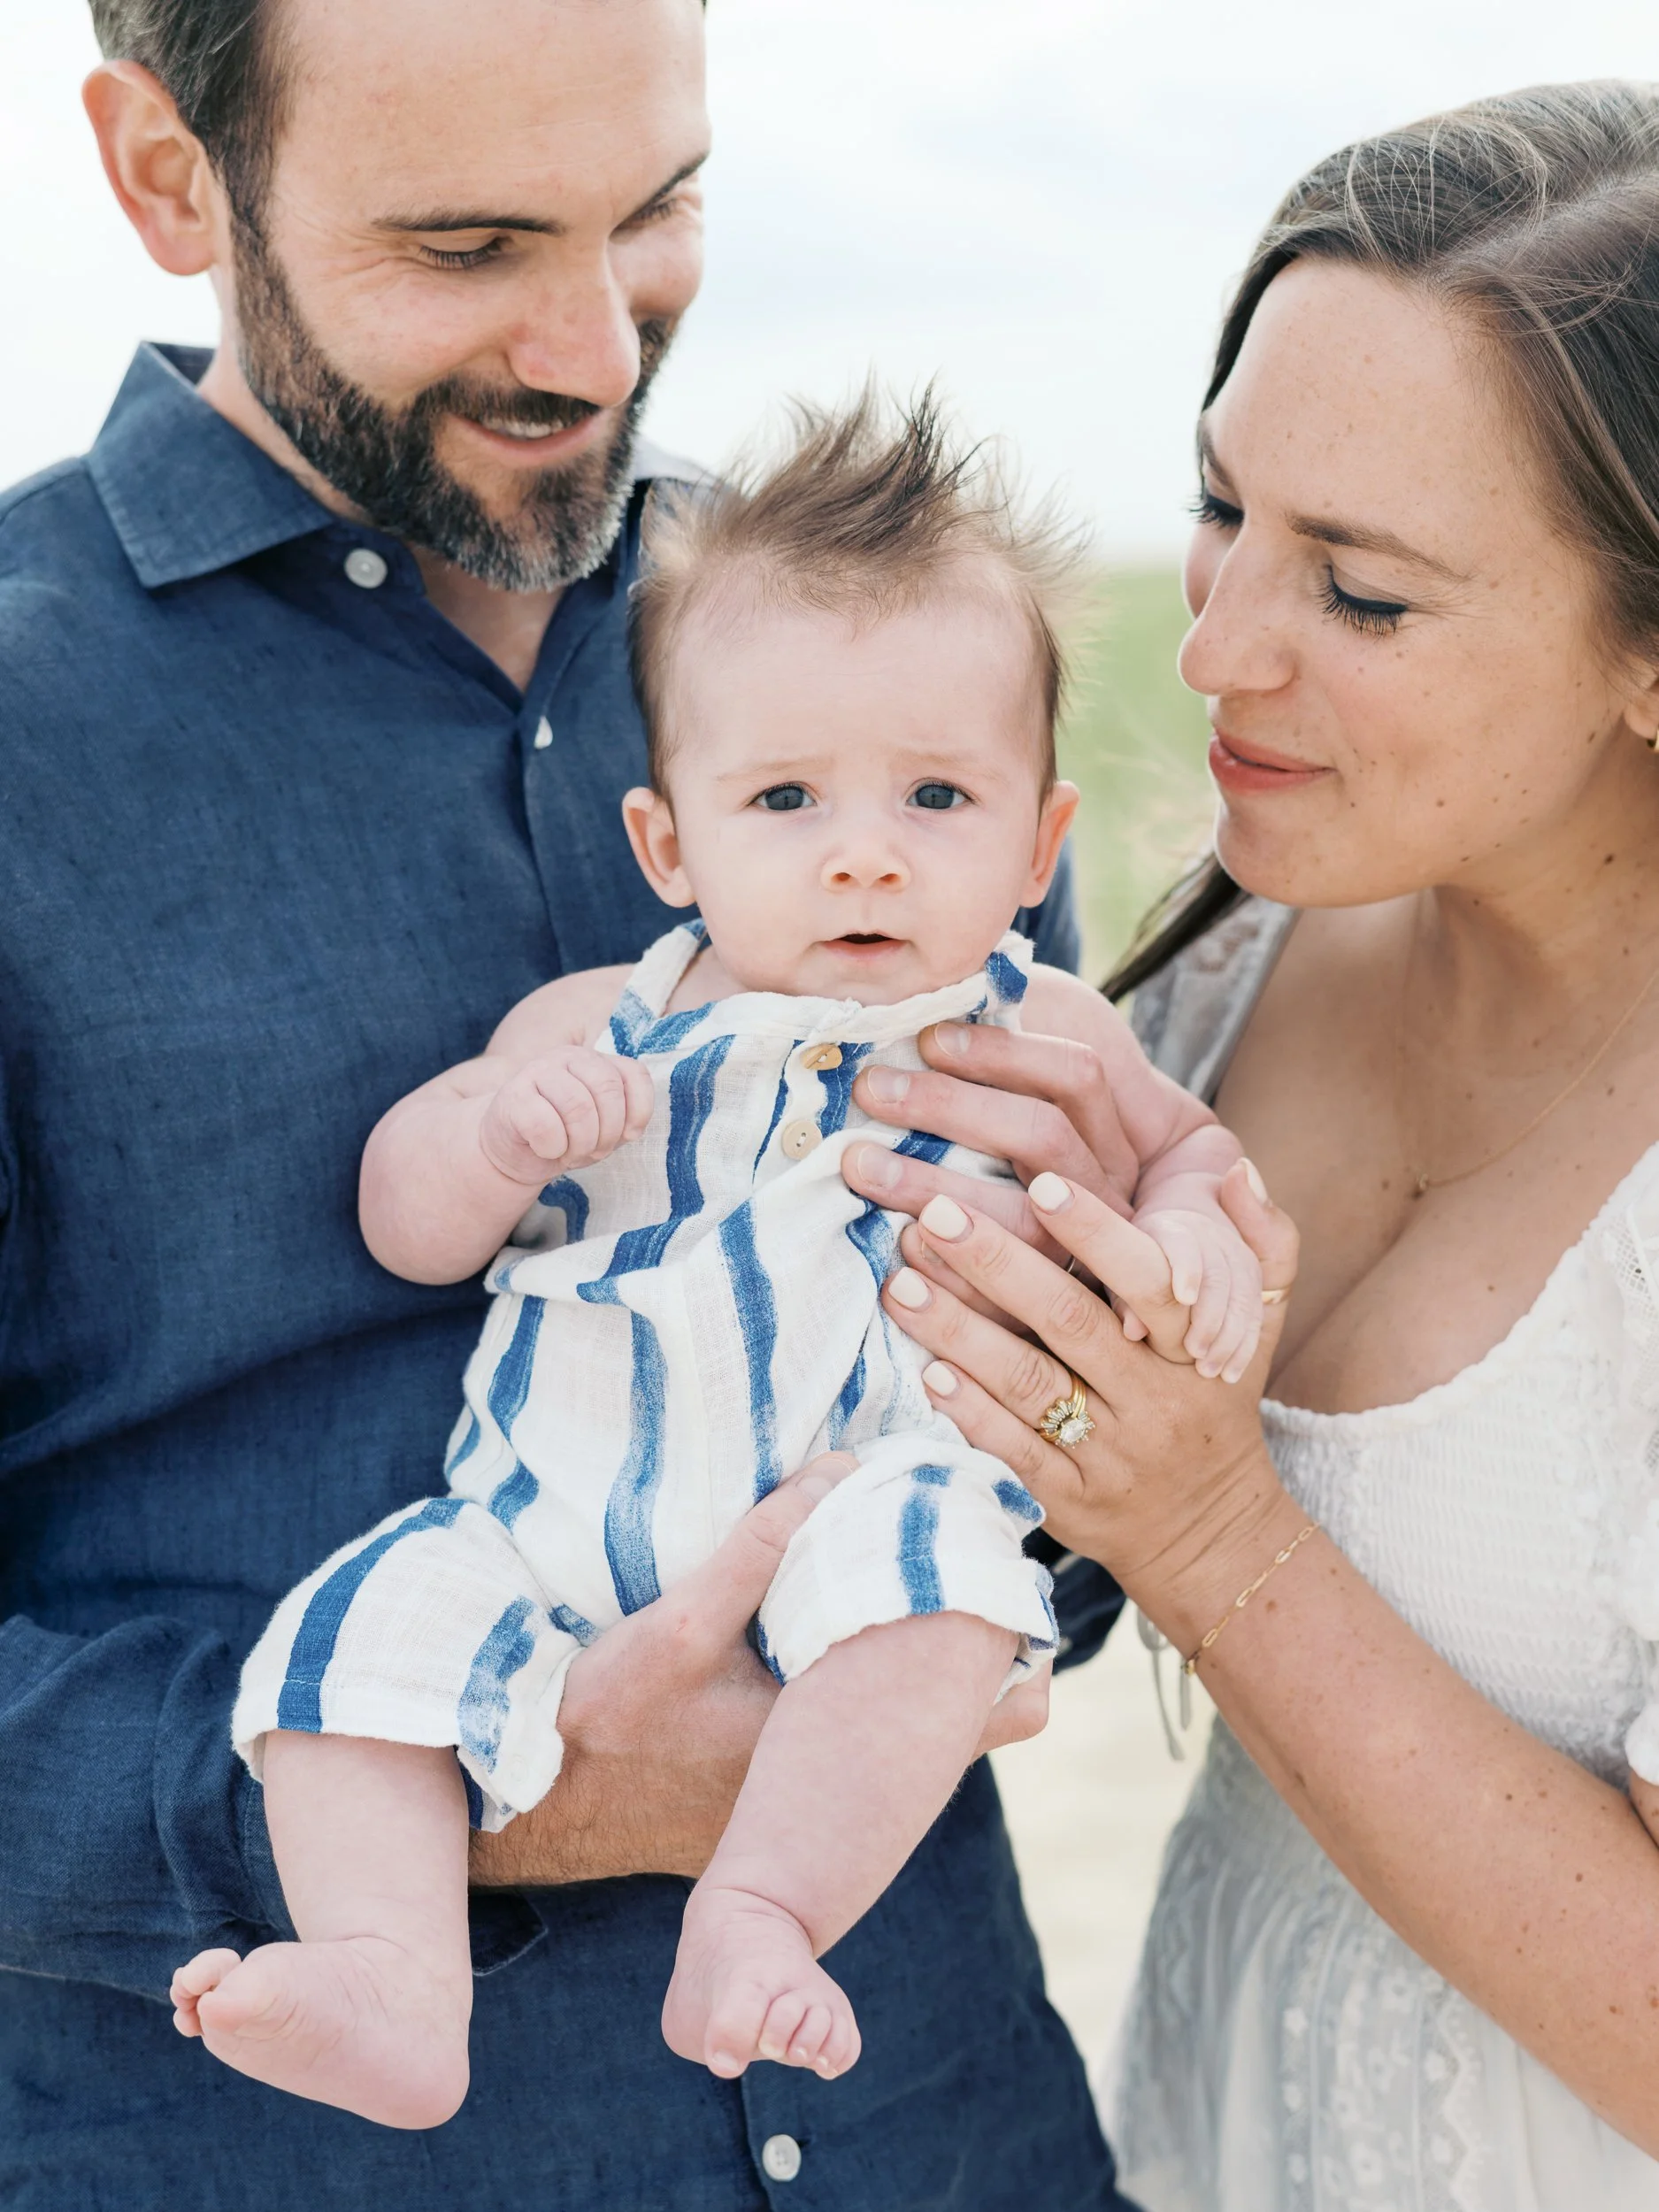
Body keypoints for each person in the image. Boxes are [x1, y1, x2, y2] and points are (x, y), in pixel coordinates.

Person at [0, 4, 1127, 2205]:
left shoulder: (890, 668)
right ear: (165, 177)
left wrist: (1080, 1476)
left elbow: (1045, 1397)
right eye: (467, 243)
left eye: (657, 210)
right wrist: (458, 1788)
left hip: (945, 2123)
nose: (599, 351)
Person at [170, 395, 1267, 2125]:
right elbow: (403, 1215)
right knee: (343, 1649)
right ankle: (394, 1980)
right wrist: (495, 1138)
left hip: (857, 1491)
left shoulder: (1029, 1018)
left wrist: (1198, 1220)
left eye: (935, 792)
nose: (863, 847)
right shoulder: (587, 1026)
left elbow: (1186, 1146)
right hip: (536, 1521)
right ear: (668, 843)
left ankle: (762, 1908)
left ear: (1038, 845)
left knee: (943, 1599)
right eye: (784, 795)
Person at [833, 78, 1659, 2212]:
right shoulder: (1226, 962)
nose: (1208, 651)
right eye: (1220, 511)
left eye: (1359, 595)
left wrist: (1211, 1532)